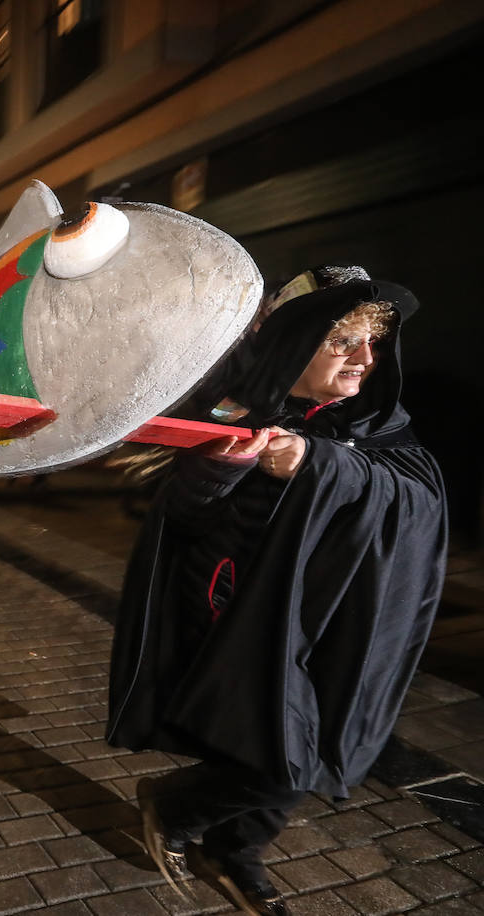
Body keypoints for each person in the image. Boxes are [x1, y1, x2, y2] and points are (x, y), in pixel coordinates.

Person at [106, 266, 447, 915]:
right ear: (295, 342)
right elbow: (180, 517)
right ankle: (176, 808)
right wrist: (219, 468)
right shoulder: (232, 408)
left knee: (322, 744)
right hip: (246, 619)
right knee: (284, 758)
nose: (365, 359)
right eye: (343, 341)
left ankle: (235, 849)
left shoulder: (377, 419)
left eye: (372, 343)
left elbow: (420, 499)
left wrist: (322, 465)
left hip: (333, 621)